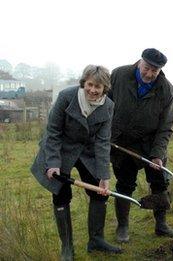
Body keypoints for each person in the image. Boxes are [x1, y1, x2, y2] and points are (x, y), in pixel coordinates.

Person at [30, 65, 121, 259]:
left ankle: (96, 240)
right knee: (61, 192)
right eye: (90, 84)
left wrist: (104, 175)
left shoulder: (108, 106)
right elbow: (53, 131)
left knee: (99, 190)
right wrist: (53, 162)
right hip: (60, 148)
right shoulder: (66, 96)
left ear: (105, 88)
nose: (93, 90)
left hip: (87, 151)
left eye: (98, 86)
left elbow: (103, 142)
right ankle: (67, 247)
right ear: (84, 82)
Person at [109, 48, 173, 242]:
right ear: (140, 62)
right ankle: (122, 227)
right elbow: (104, 106)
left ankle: (161, 225)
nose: (149, 74)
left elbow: (166, 126)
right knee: (124, 185)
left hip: (151, 144)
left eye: (154, 71)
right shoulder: (119, 75)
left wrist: (157, 154)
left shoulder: (166, 89)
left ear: (160, 71)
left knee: (159, 183)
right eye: (147, 68)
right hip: (121, 142)